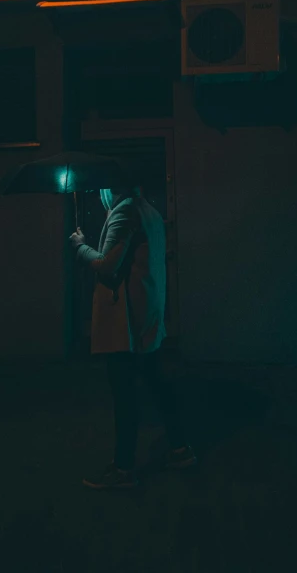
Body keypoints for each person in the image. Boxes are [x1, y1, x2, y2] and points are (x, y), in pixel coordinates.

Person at [69, 185, 197, 490]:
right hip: (146, 315)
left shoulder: (124, 211)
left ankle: (123, 469)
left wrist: (79, 245)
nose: (100, 193)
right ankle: (180, 450)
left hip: (125, 322)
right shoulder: (148, 210)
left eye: (103, 188)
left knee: (124, 393)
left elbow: (106, 265)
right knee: (156, 381)